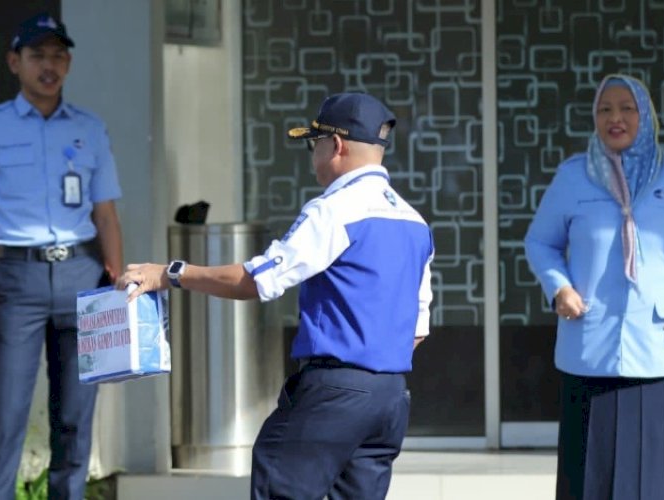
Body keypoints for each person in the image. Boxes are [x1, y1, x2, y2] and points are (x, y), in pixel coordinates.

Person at [119, 92, 434, 499]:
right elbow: (418, 328)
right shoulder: (414, 221)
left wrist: (172, 273)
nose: (312, 154)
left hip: (334, 390)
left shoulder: (334, 210)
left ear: (335, 145)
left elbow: (259, 279)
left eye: (313, 143)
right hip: (390, 398)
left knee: (279, 485)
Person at [524, 73, 664, 500]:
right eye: (605, 109)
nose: (616, 118)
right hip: (588, 350)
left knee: (651, 482)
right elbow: (540, 242)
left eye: (627, 108)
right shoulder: (573, 177)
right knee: (587, 481)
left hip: (656, 349)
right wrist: (558, 287)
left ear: (646, 116)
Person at [0, 13, 123, 499]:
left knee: (75, 422)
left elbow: (107, 216)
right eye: (37, 56)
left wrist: (120, 288)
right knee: (4, 419)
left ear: (68, 63)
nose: (48, 66)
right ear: (15, 62)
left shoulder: (90, 129)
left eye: (58, 56)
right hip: (17, 281)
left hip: (83, 276)